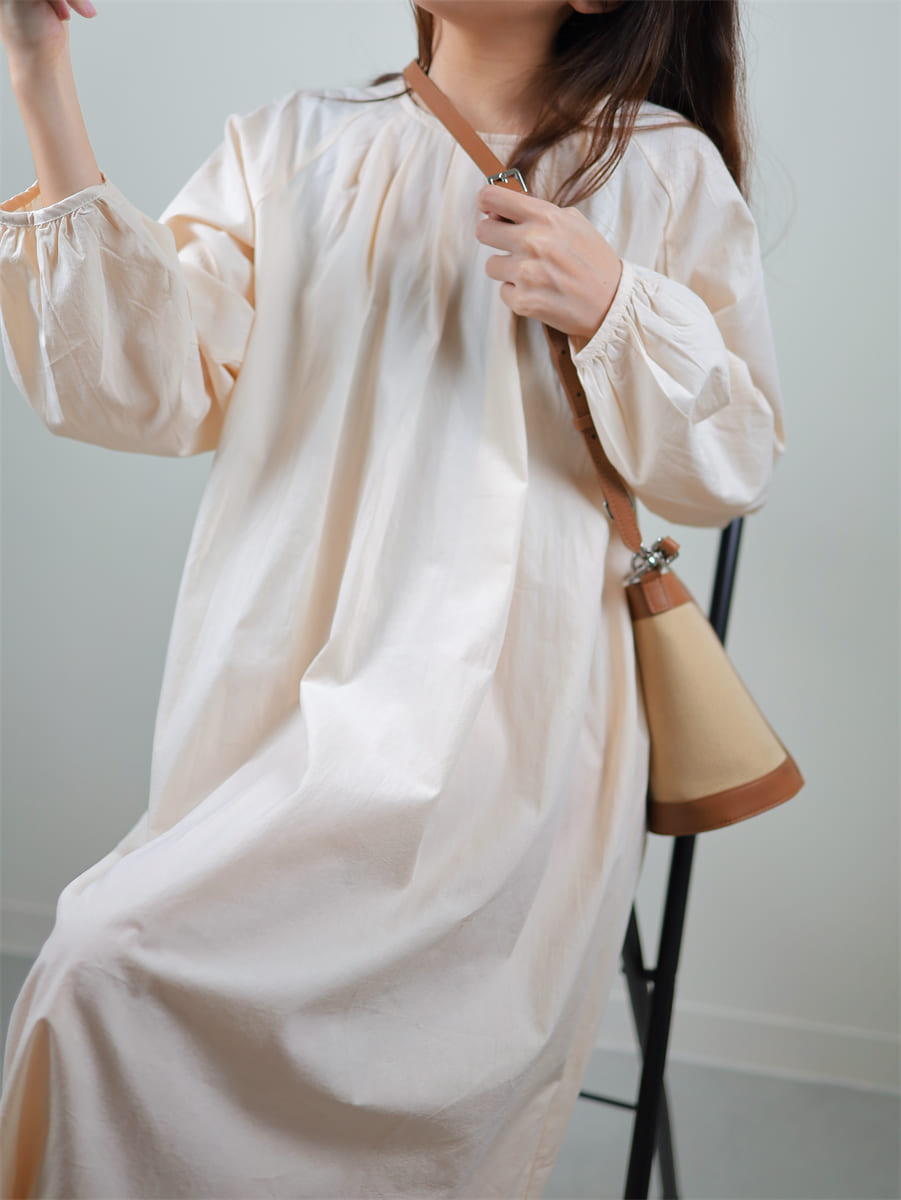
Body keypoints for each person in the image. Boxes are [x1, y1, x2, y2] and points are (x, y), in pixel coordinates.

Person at [0, 0, 786, 1195]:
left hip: (507, 723)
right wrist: (37, 65)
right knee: (101, 964)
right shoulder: (291, 143)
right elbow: (135, 388)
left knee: (128, 970)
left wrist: (615, 302)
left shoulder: (659, 168)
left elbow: (729, 467)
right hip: (282, 698)